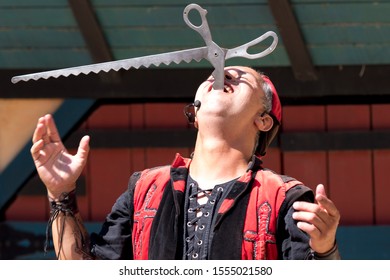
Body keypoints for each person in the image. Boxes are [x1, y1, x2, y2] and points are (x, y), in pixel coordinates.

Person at [31, 66, 340, 260]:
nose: (223, 73)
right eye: (215, 74)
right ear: (194, 111)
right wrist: (61, 192)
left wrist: (326, 249)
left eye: (239, 76)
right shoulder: (144, 189)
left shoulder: (286, 197)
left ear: (263, 120)